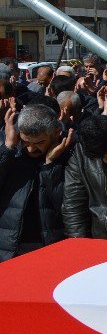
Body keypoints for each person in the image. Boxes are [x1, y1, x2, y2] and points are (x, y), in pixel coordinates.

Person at [0, 105, 74, 259]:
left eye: (39, 142)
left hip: (50, 244)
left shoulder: (70, 154)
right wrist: (8, 148)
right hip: (11, 244)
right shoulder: (10, 153)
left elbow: (66, 204)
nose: (31, 149)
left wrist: (50, 165)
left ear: (56, 134)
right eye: (26, 142)